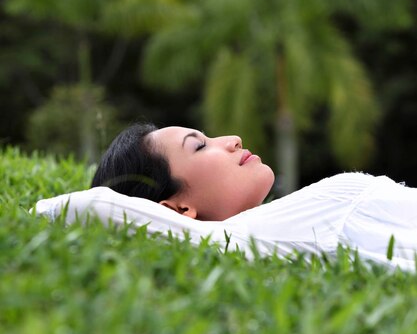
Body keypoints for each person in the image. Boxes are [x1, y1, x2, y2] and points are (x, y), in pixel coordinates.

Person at [35, 122, 417, 271]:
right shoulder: (232, 239)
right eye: (199, 147)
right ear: (178, 209)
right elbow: (88, 206)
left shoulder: (267, 226)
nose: (233, 138)